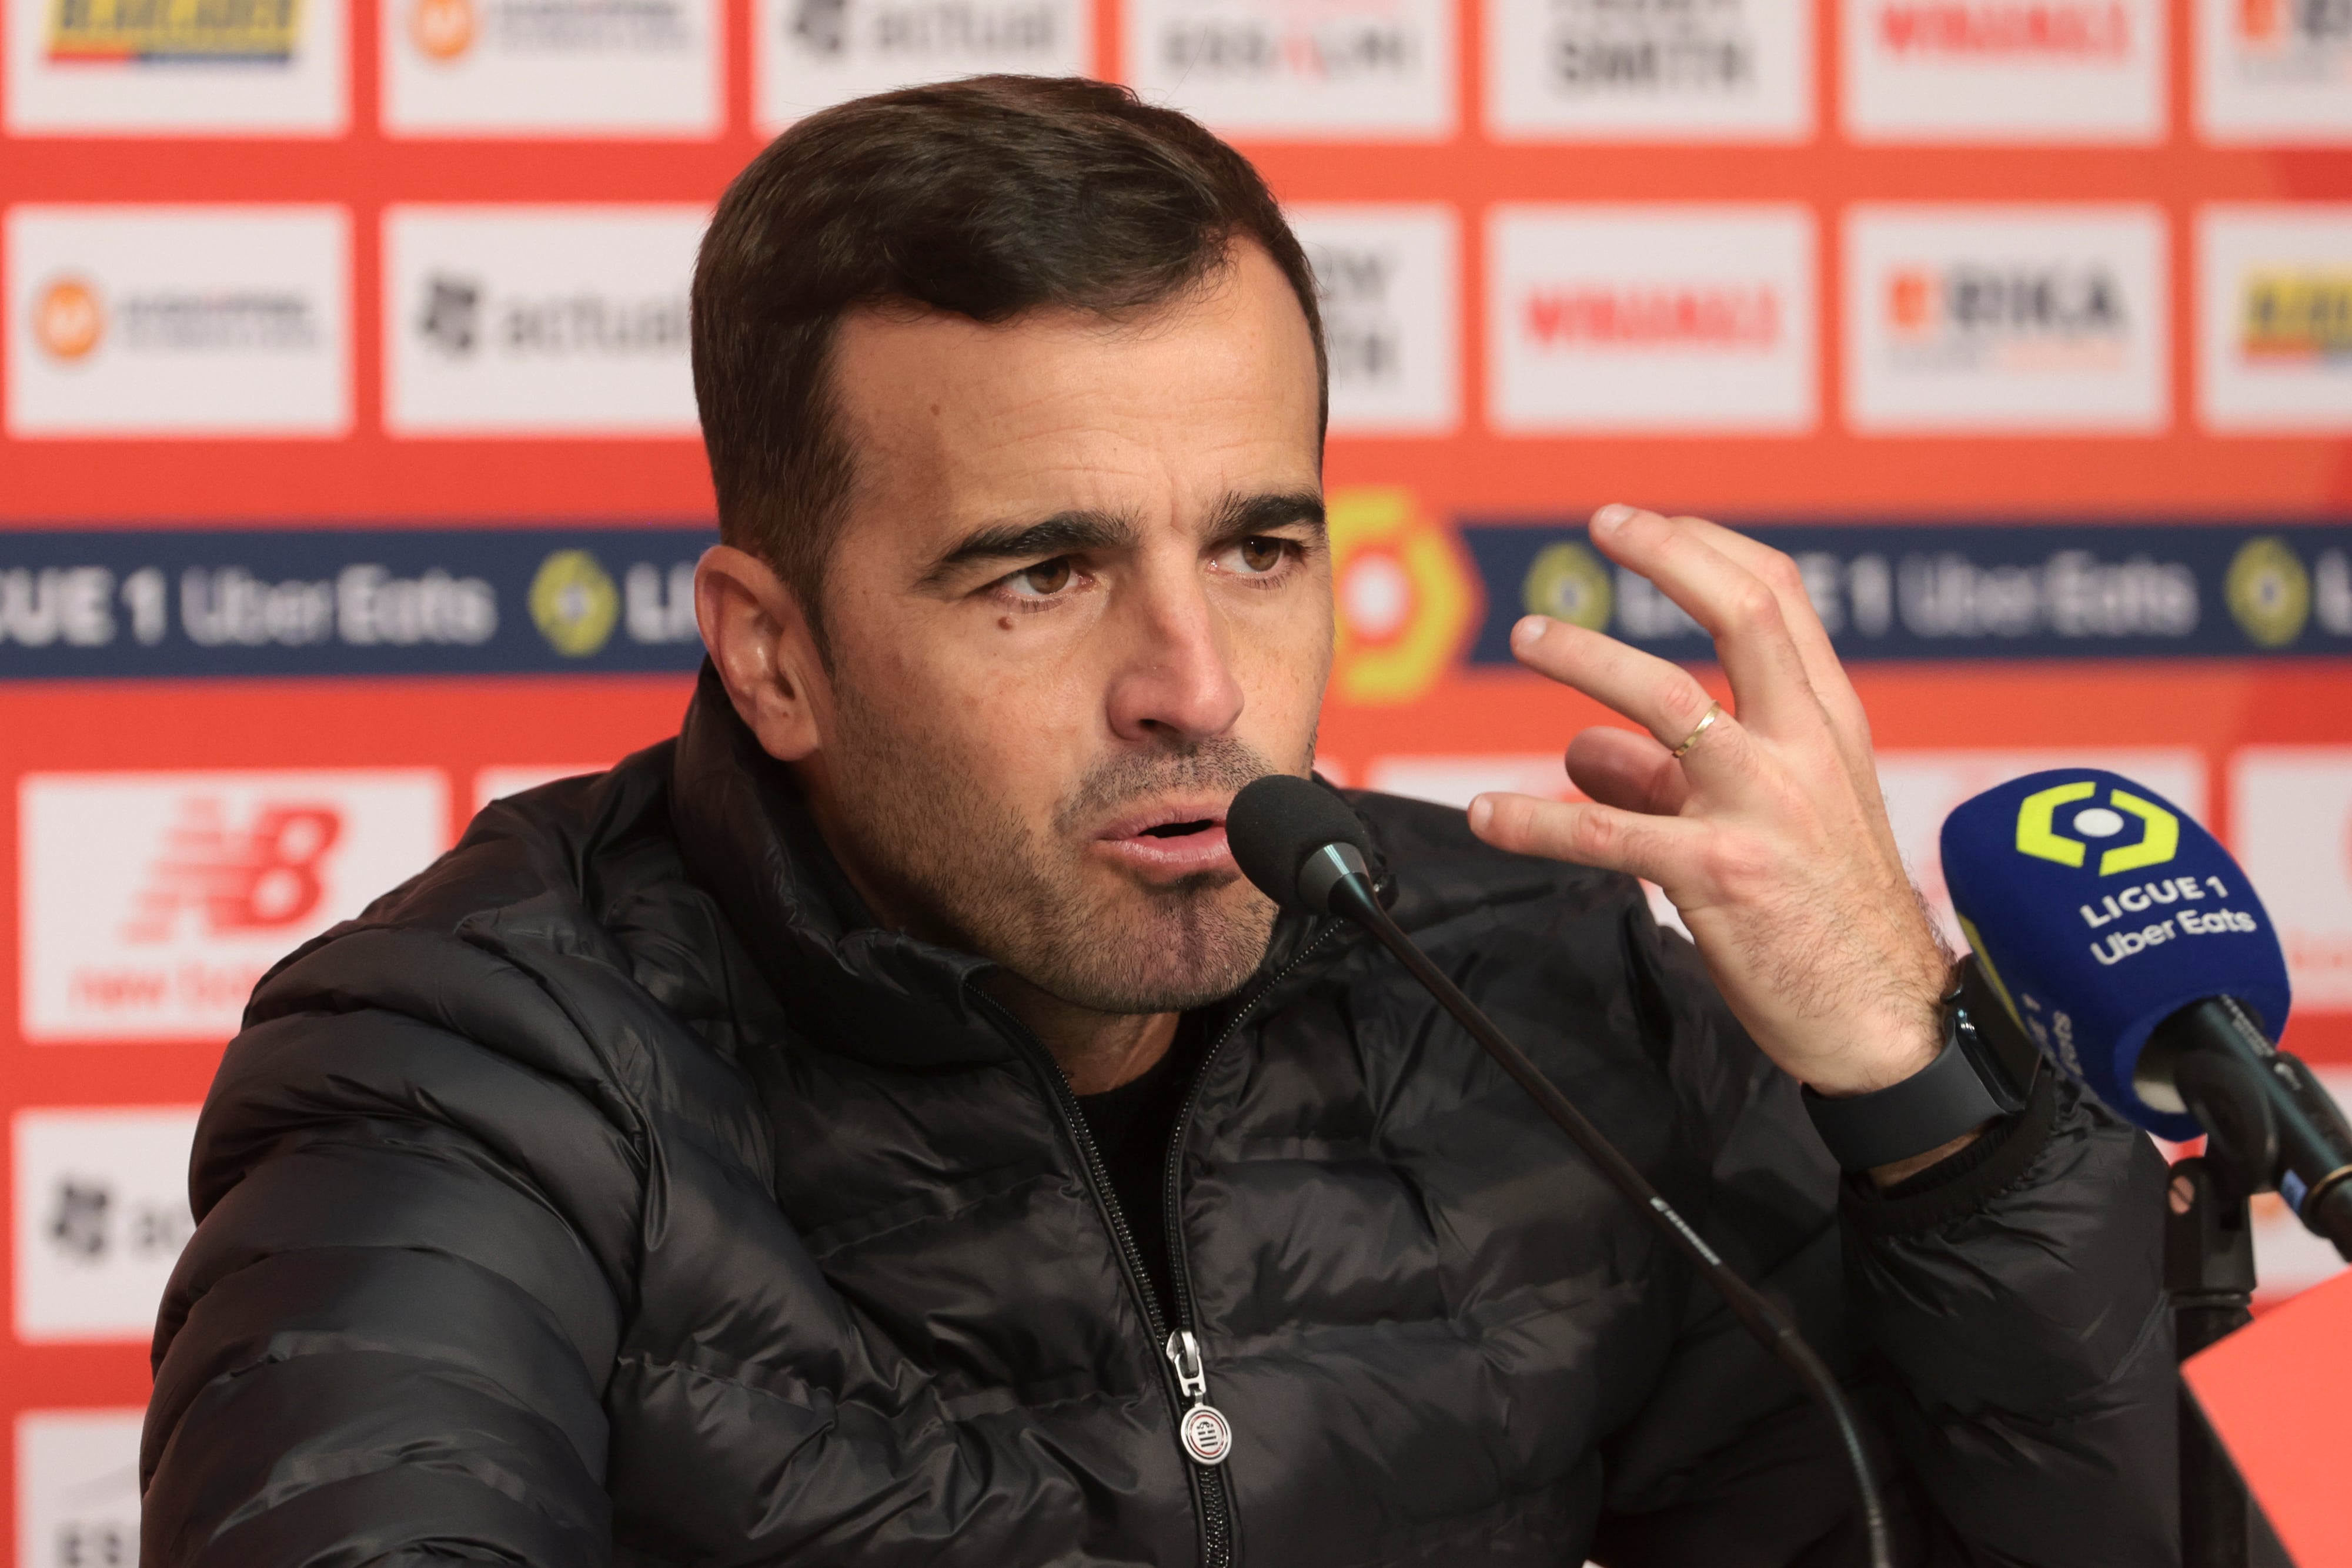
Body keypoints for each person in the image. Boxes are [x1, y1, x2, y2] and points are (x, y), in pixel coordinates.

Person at [141, 76, 2173, 1567]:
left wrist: (1921, 1086)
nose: (1194, 684)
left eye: (1263, 548)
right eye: (1040, 573)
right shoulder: (467, 1062)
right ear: (774, 654)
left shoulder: (1524, 983)